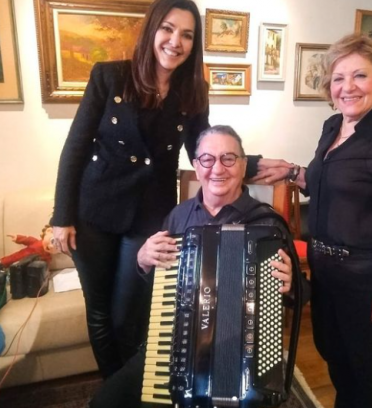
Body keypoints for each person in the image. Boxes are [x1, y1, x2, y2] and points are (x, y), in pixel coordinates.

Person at [50, 0, 263, 379]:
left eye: (186, 35)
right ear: (152, 30)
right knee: (99, 312)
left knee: (130, 314)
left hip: (149, 216)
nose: (175, 41)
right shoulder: (109, 76)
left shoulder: (192, 92)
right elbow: (76, 148)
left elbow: (204, 146)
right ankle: (117, 389)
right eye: (167, 29)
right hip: (93, 212)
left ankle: (133, 382)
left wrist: (249, 163)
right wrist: (61, 217)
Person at [255, 34, 372, 408]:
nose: (347, 87)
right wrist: (294, 172)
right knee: (337, 359)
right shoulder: (333, 126)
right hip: (329, 273)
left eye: (360, 76)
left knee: (367, 372)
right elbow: (334, 182)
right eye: (339, 78)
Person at [88, 125, 295, 408]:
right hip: (172, 346)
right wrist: (142, 260)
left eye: (228, 158)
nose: (217, 168)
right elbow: (158, 287)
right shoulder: (178, 216)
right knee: (105, 402)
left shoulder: (267, 225)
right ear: (197, 167)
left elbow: (302, 295)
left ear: (243, 164)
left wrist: (292, 282)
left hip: (242, 356)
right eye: (207, 159)